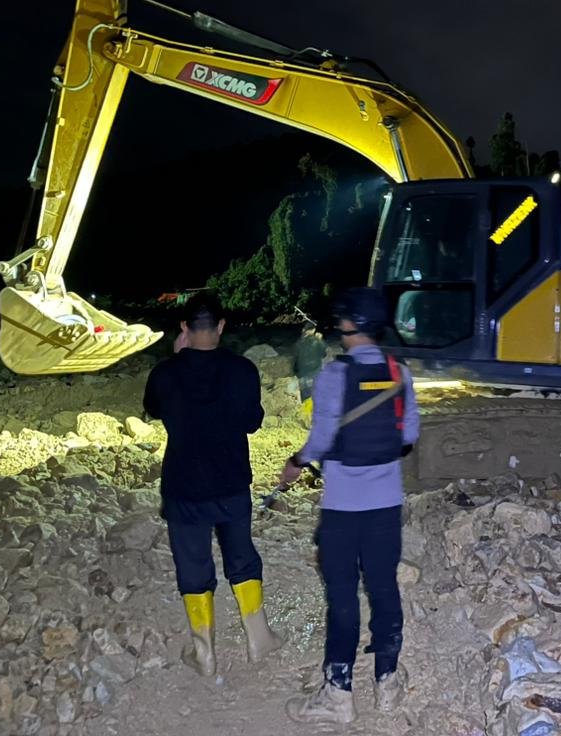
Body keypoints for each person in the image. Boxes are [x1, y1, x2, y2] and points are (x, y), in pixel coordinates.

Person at [281, 286, 419, 724]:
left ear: (348, 324)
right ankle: (388, 684)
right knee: (383, 588)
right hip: (385, 505)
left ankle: (338, 694)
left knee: (342, 596)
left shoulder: (333, 375)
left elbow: (321, 440)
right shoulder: (400, 371)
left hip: (342, 507)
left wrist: (295, 462)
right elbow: (409, 436)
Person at [143, 292, 283, 675]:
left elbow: (153, 409)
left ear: (184, 328)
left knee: (192, 564)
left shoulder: (165, 373)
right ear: (221, 326)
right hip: (231, 482)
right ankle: (258, 640)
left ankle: (204, 652)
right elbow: (253, 422)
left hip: (183, 486)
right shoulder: (242, 371)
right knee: (241, 556)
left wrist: (176, 357)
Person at [292, 319, 327, 414]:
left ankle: (306, 420)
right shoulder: (317, 341)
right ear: (313, 330)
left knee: (306, 401)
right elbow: (323, 354)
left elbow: (295, 361)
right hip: (315, 374)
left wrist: (296, 374)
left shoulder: (298, 343)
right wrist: (320, 340)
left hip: (302, 375)